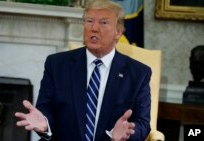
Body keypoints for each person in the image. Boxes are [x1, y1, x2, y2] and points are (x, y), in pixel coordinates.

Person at [15, 0, 151, 140]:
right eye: (89, 21)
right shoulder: (57, 64)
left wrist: (125, 134)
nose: (94, 28)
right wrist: (45, 124)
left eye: (103, 22)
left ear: (118, 32)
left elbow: (143, 124)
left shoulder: (138, 74)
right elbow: (46, 108)